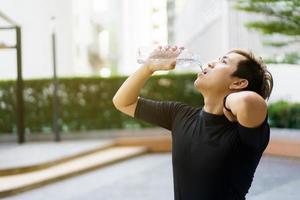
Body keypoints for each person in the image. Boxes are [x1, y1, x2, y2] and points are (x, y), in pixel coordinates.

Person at [112, 45, 273, 200]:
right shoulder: (179, 114)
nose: (211, 63)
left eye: (223, 61)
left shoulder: (245, 134)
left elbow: (249, 101)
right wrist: (149, 67)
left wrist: (226, 103)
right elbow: (123, 102)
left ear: (238, 83)